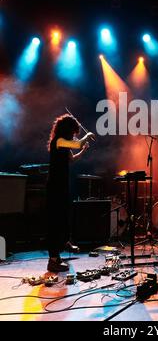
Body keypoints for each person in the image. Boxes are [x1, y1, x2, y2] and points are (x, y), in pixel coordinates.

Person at [46, 114, 95, 272]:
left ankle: (64, 243)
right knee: (54, 221)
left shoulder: (64, 144)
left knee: (64, 216)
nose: (75, 135)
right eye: (74, 132)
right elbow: (77, 143)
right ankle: (53, 259)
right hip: (54, 185)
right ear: (67, 130)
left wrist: (84, 151)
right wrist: (86, 137)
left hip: (62, 184)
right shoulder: (58, 141)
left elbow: (72, 159)